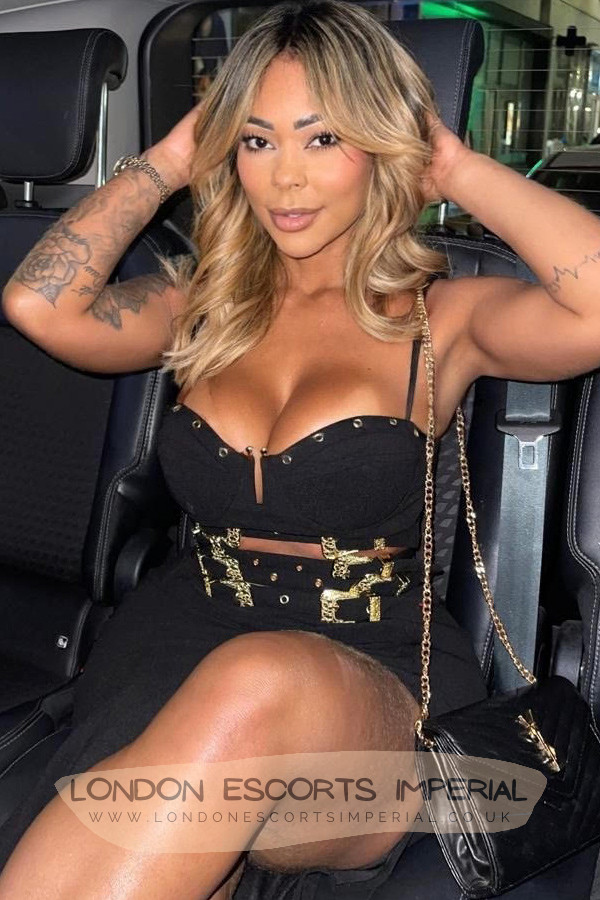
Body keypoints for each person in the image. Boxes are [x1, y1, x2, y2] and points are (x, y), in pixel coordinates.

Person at [2, 1, 600, 897]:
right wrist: (171, 159)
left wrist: (453, 166)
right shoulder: (204, 306)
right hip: (174, 637)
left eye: (323, 139)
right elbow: (38, 305)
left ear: (381, 145)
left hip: (369, 674)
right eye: (256, 140)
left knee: (255, 681)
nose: (285, 178)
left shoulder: (444, 316)